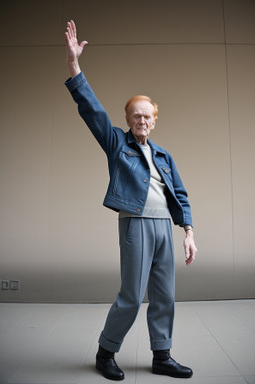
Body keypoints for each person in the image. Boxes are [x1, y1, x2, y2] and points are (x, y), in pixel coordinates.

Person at [64, 20, 197, 381]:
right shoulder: (117, 144)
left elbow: (180, 194)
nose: (141, 120)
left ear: (154, 121)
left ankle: (162, 355)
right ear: (127, 119)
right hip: (135, 224)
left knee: (164, 294)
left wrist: (187, 230)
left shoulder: (165, 156)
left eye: (147, 116)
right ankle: (106, 352)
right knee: (132, 294)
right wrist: (75, 66)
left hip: (162, 229)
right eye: (135, 115)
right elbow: (92, 111)